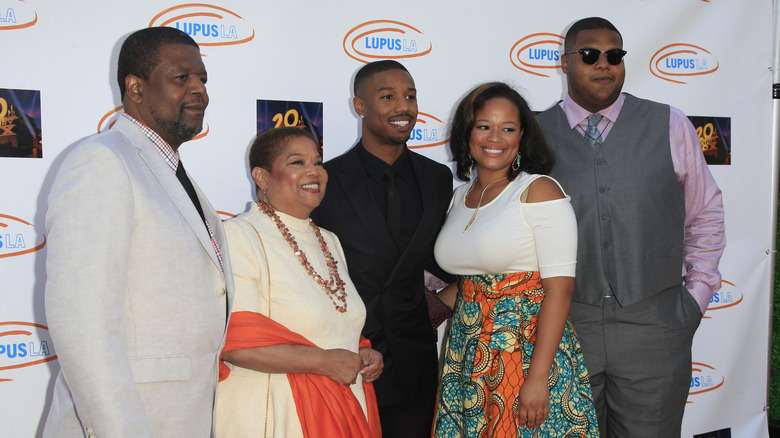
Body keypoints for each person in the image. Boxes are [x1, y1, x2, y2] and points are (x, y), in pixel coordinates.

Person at [536, 17, 726, 438]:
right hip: (562, 330)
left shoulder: (670, 123)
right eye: (590, 55)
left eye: (615, 55)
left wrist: (694, 300)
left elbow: (705, 214)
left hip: (655, 328)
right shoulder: (530, 134)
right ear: (564, 63)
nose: (604, 65)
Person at [43, 27, 233, 437]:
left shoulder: (174, 175)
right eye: (182, 78)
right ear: (135, 88)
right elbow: (83, 327)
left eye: (202, 79)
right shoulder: (100, 163)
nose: (199, 90)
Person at [432, 82, 598, 437]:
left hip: (523, 351)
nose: (496, 137)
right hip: (466, 349)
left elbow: (560, 290)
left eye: (508, 128)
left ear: (522, 136)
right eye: (484, 126)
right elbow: (473, 281)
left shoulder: (539, 190)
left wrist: (537, 379)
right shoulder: (459, 197)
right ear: (468, 133)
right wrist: (420, 316)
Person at [311, 60, 453, 437]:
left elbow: (450, 259)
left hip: (415, 363)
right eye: (387, 96)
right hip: (348, 358)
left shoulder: (437, 178)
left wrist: (441, 305)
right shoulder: (326, 180)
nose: (402, 107)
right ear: (359, 106)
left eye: (410, 96)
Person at [216, 127, 383, 437]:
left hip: (343, 408)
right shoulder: (238, 236)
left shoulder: (329, 240)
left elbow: (331, 324)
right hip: (274, 414)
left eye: (318, 162)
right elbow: (234, 344)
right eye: (297, 162)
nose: (314, 171)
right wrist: (325, 361)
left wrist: (361, 351)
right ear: (262, 177)